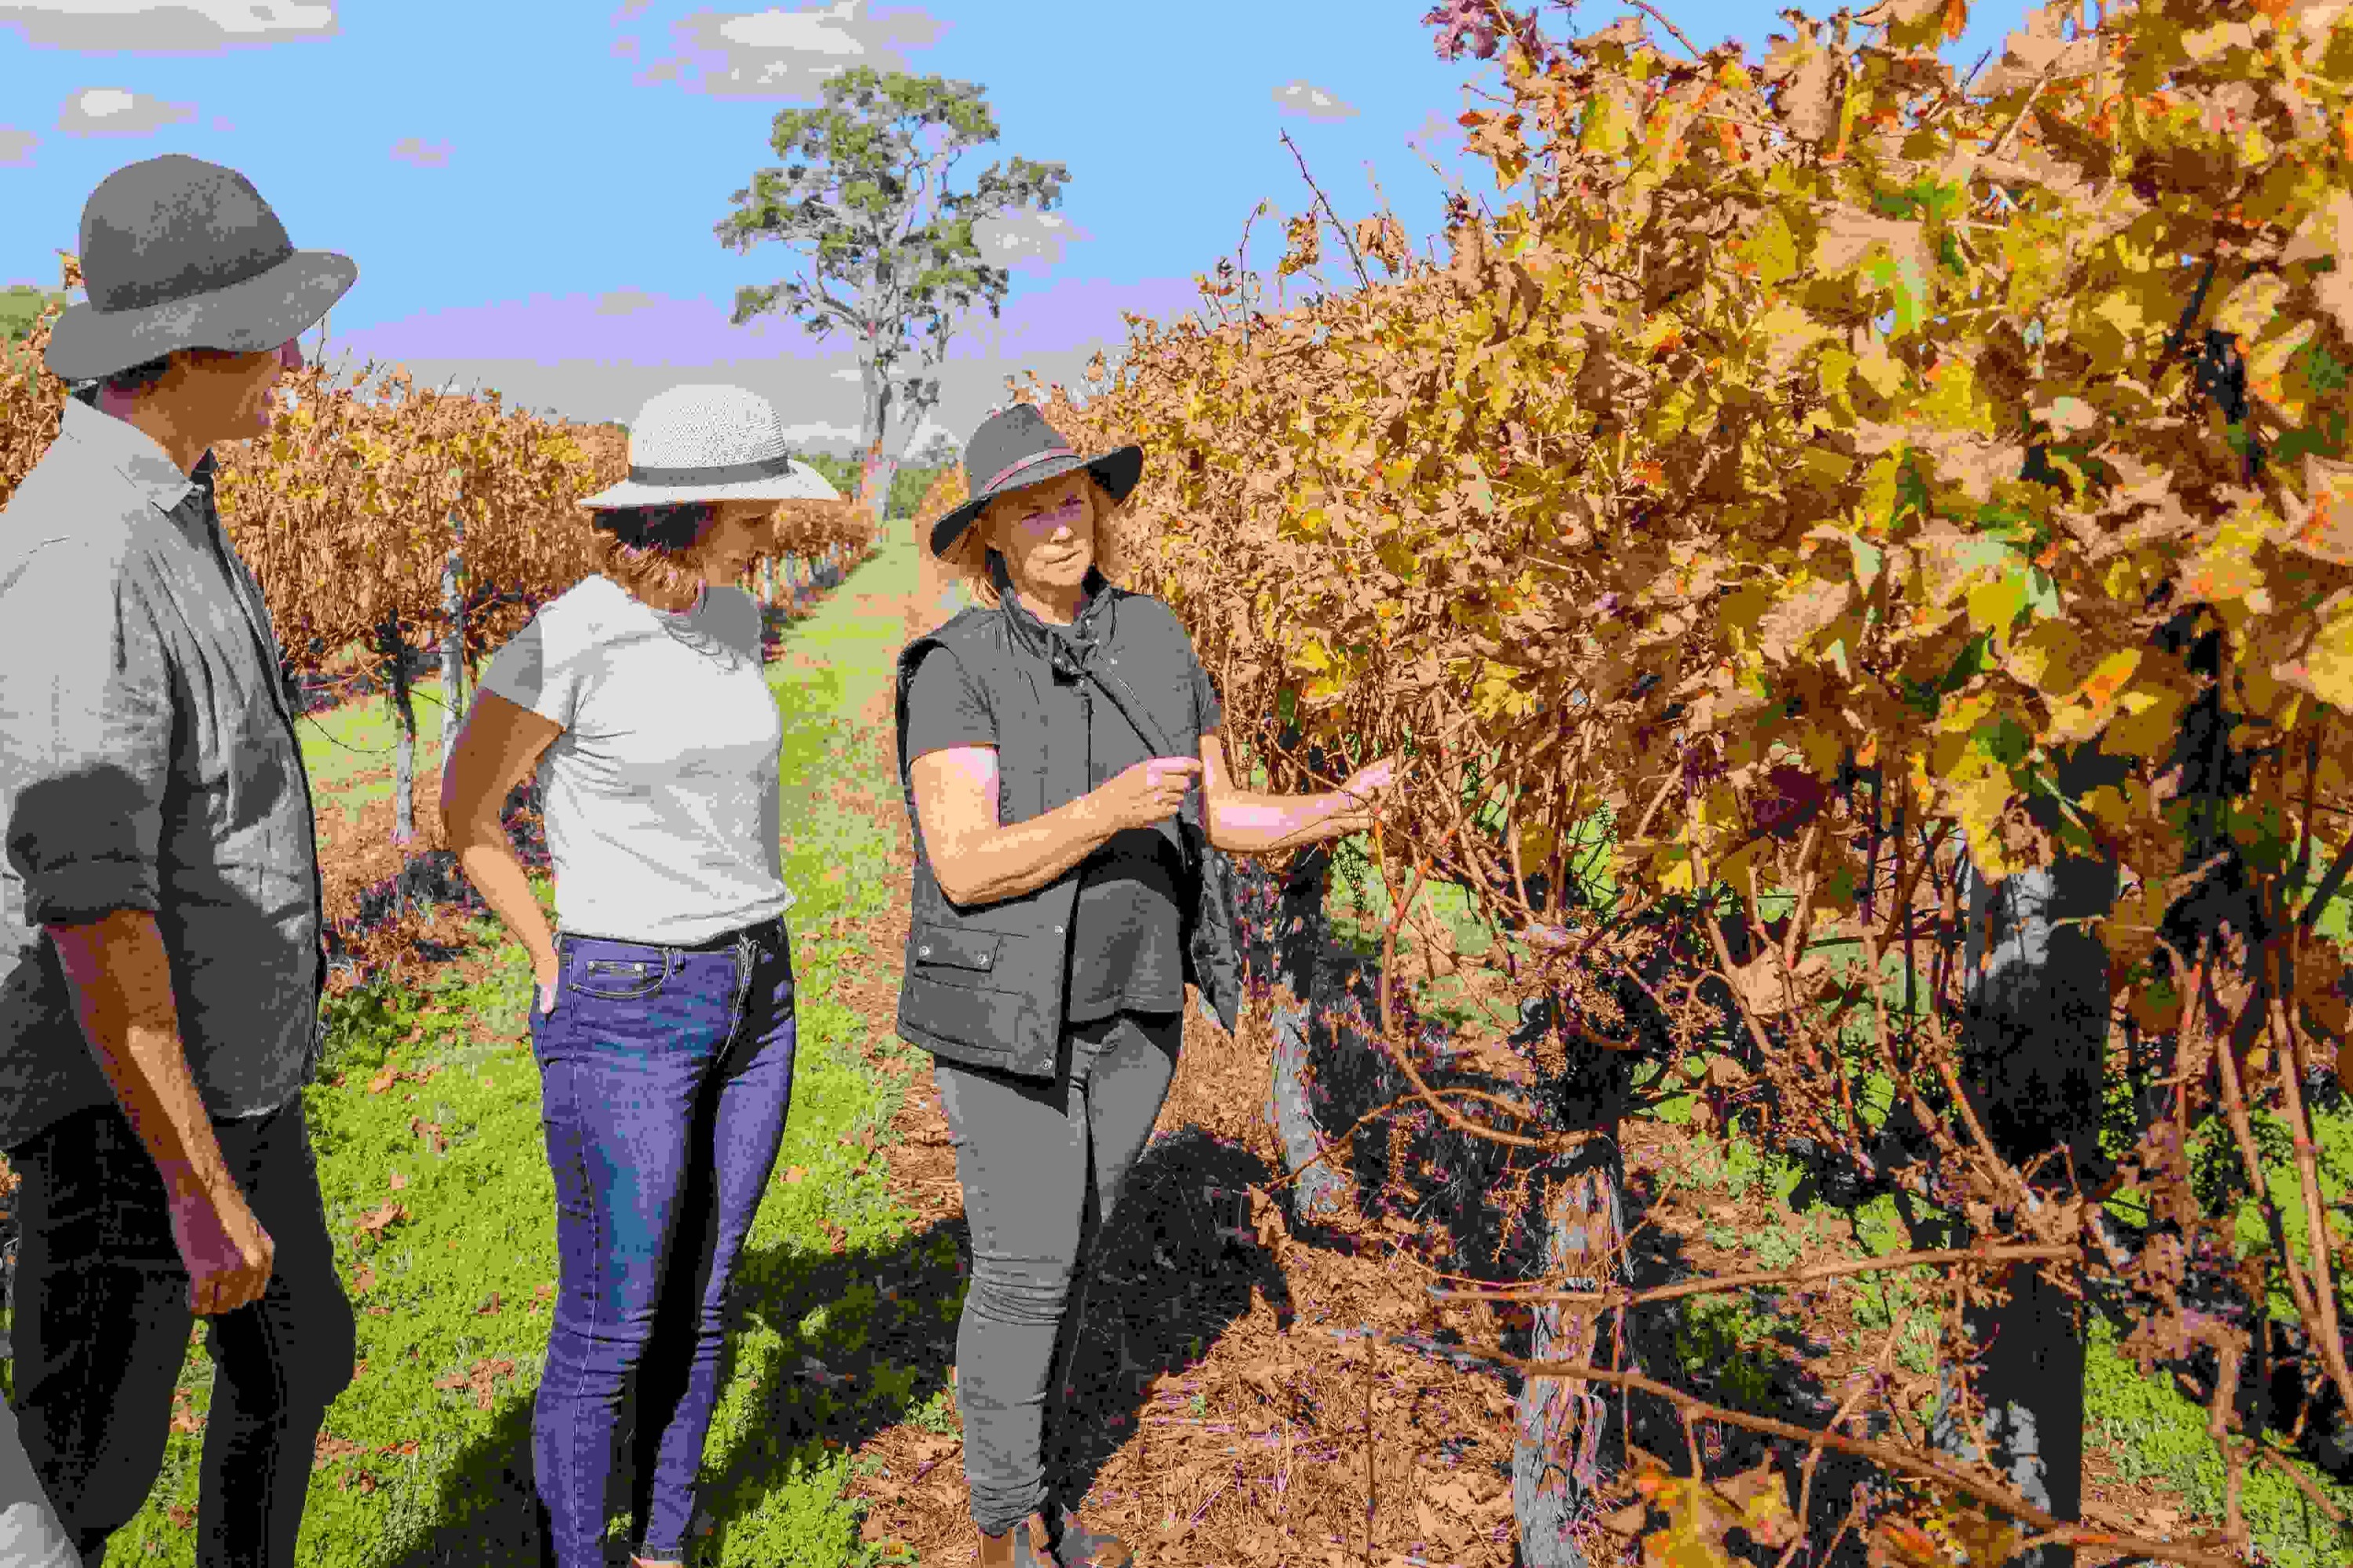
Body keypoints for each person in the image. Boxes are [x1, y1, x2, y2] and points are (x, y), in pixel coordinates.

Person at [896, 403, 1395, 1568]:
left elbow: (1216, 809)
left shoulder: (1158, 640)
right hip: (1001, 1013)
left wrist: (1334, 807)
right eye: (1032, 507)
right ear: (990, 540)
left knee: (1071, 1250)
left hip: (1132, 1007)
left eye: (1075, 496)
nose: (1062, 520)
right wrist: (1107, 812)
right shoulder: (956, 669)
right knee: (1025, 1265)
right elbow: (965, 865)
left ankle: (1032, 1481)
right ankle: (1006, 1524)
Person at [0, 153, 355, 1568]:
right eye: (270, 326)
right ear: (183, 349)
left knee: (301, 1360)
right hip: (127, 1120)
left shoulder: (177, 507)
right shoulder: (82, 551)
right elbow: (94, 913)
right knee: (82, 1477)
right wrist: (197, 1191)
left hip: (235, 1077)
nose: (293, 354)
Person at [441, 383, 827, 1568]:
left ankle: (660, 1544)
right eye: (761, 506)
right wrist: (555, 955)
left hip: (759, 981)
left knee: (704, 1301)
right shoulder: (560, 639)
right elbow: (461, 816)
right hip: (630, 1001)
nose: (778, 529)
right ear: (701, 508)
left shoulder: (725, 614)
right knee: (612, 1323)